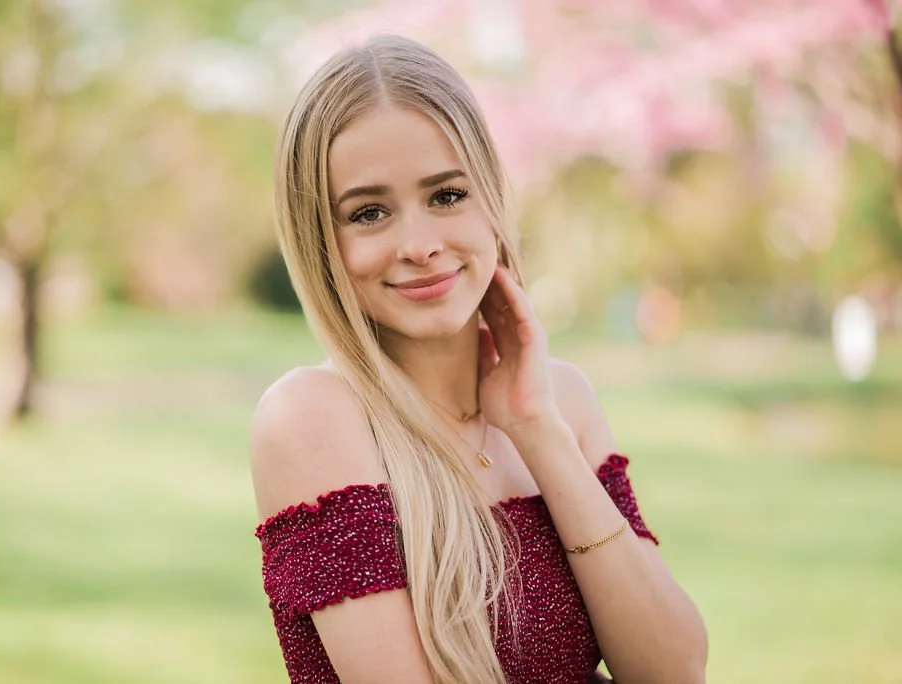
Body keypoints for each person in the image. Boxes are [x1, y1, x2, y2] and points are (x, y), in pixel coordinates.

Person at [250, 34, 708, 684]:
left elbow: (673, 670)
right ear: (320, 240)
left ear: (490, 198)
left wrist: (537, 430)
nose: (420, 244)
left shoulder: (562, 401)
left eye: (446, 196)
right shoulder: (311, 418)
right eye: (370, 212)